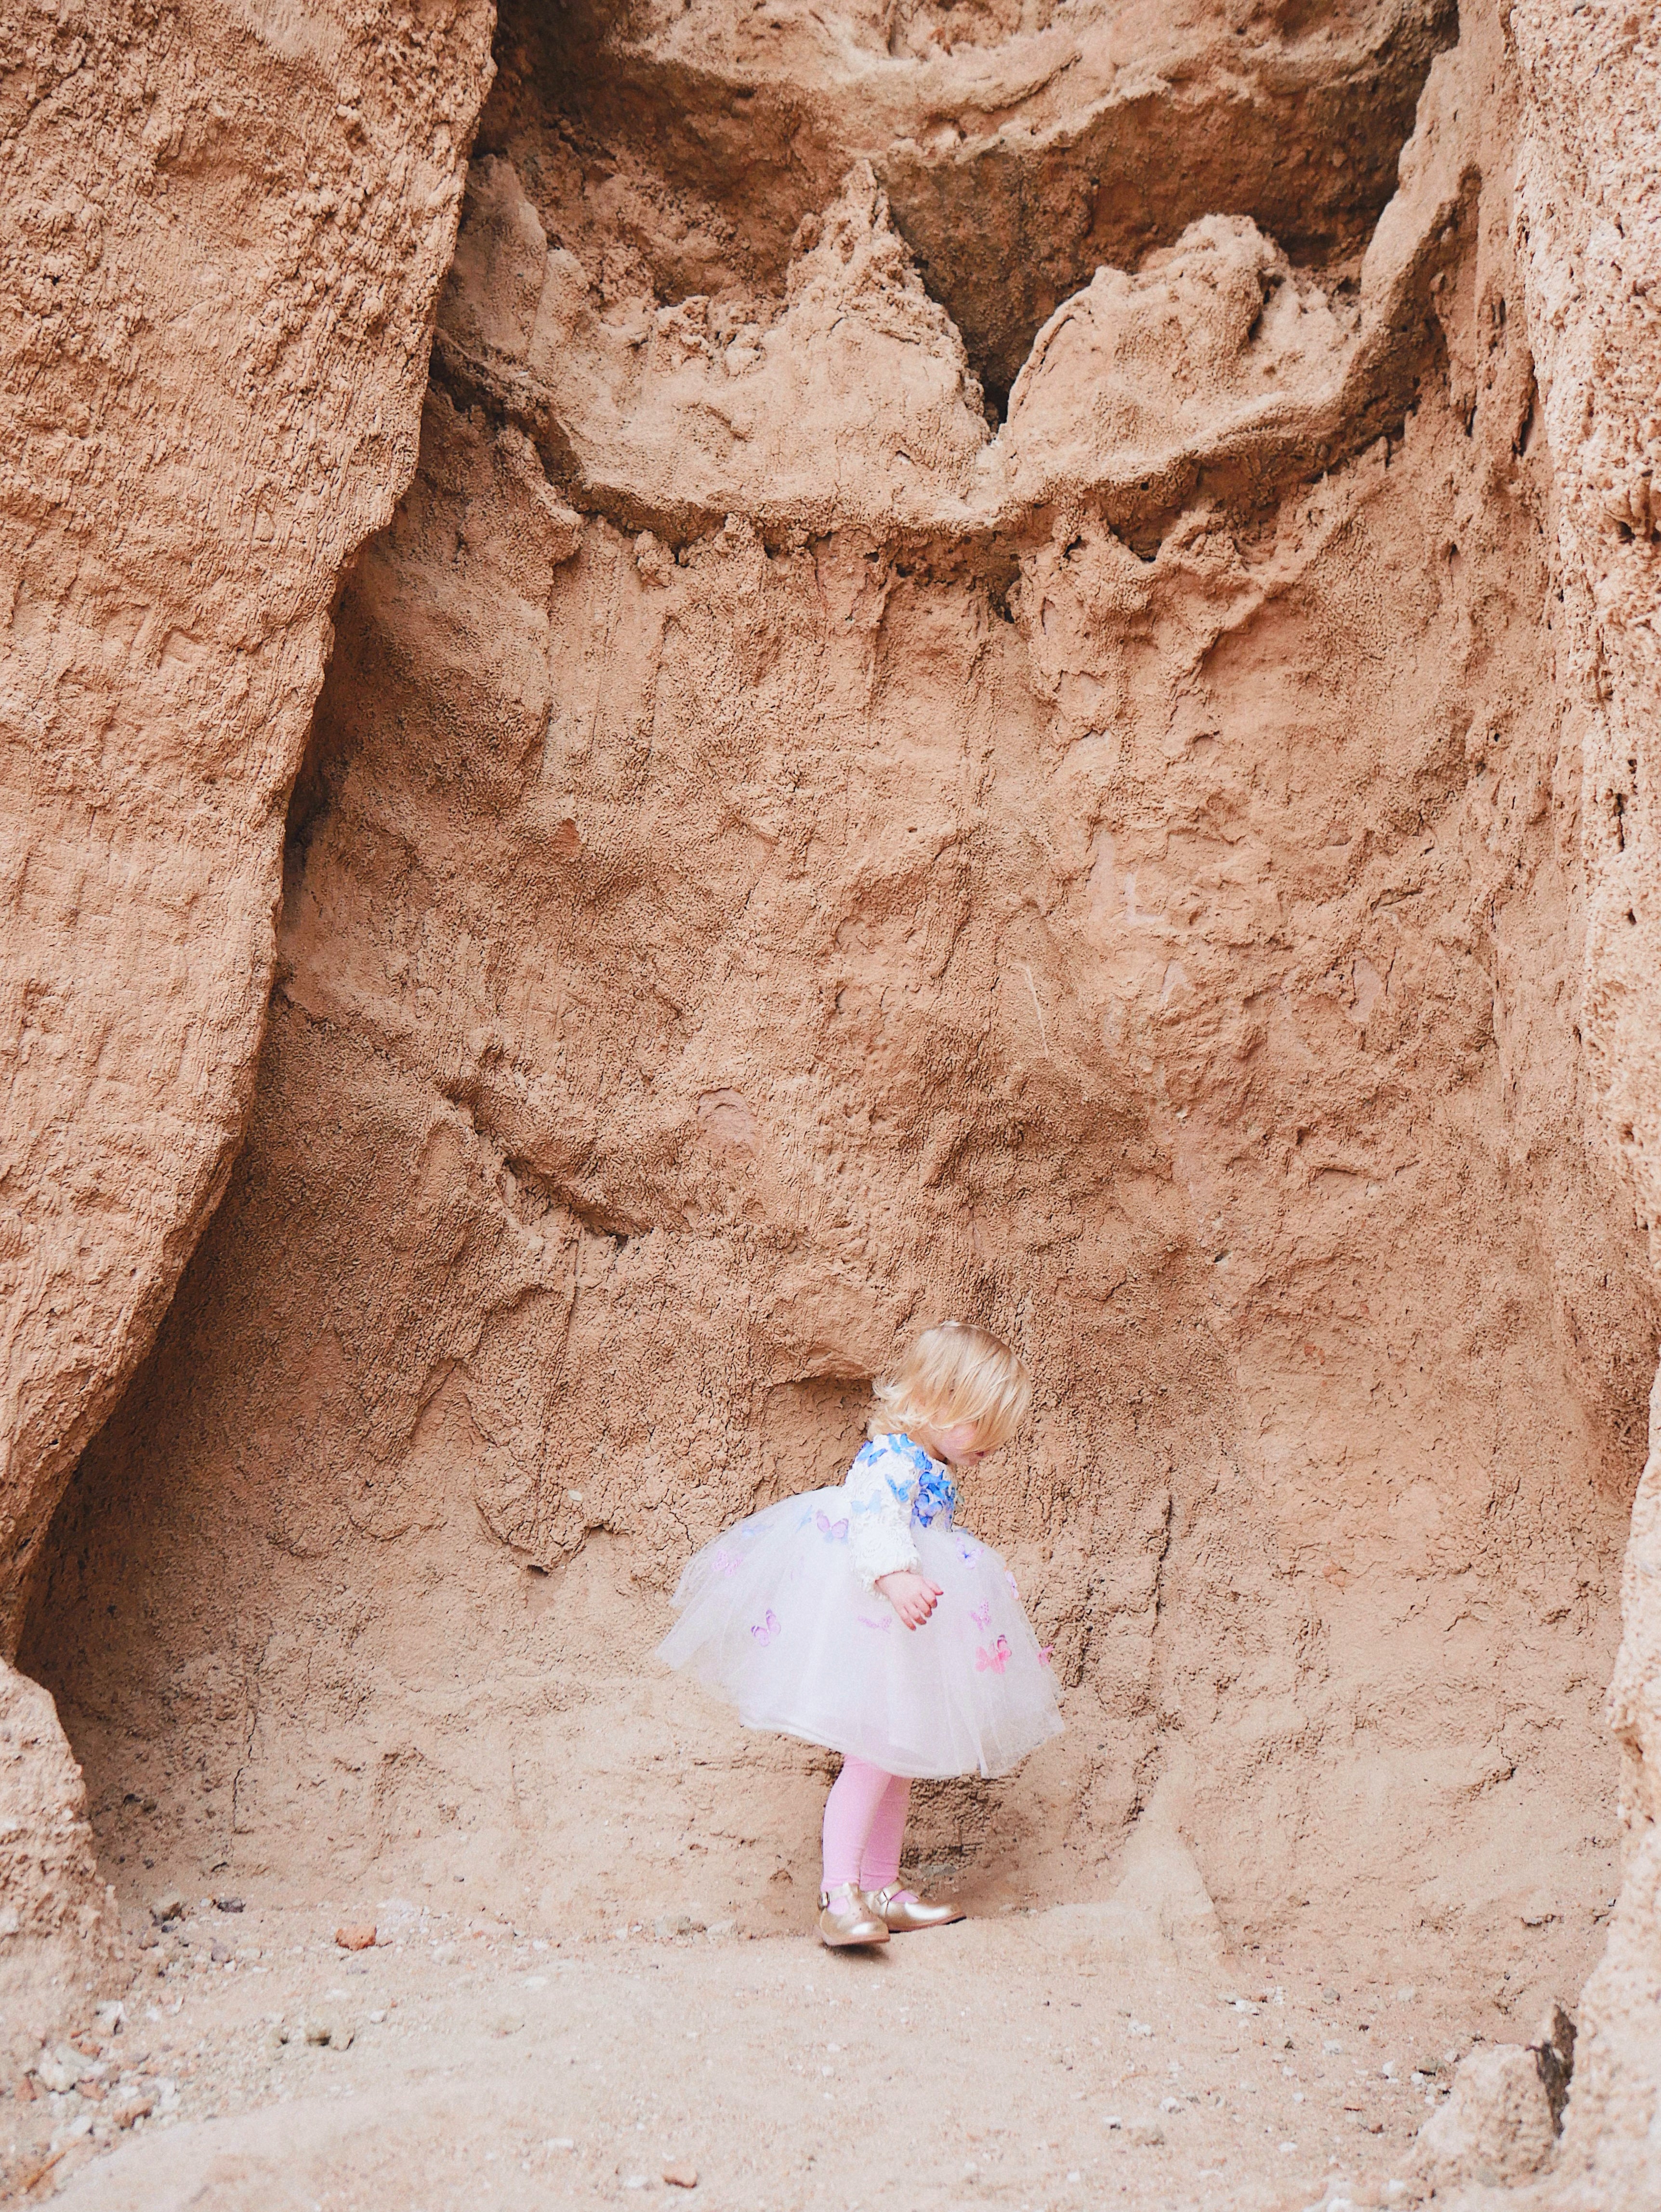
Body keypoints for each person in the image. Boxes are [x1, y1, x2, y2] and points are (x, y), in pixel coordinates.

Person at [657, 1321, 1063, 1948]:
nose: (992, 1447)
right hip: (875, 1615)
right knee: (873, 1755)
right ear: (933, 1406)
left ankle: (879, 1888)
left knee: (896, 1758)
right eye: (979, 1426)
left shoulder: (929, 1462)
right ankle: (838, 1893)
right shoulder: (892, 1458)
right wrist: (897, 1577)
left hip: (904, 1627)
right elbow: (873, 1523)